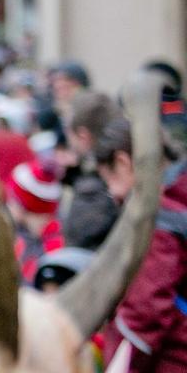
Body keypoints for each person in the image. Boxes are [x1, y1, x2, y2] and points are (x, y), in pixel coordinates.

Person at [98, 118, 187, 370]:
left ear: (123, 163)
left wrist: (120, 365)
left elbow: (145, 312)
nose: (112, 192)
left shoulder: (158, 219)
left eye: (109, 178)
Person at [59, 91, 120, 249]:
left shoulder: (92, 194)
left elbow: (76, 246)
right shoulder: (121, 172)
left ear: (83, 136)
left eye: (68, 133)